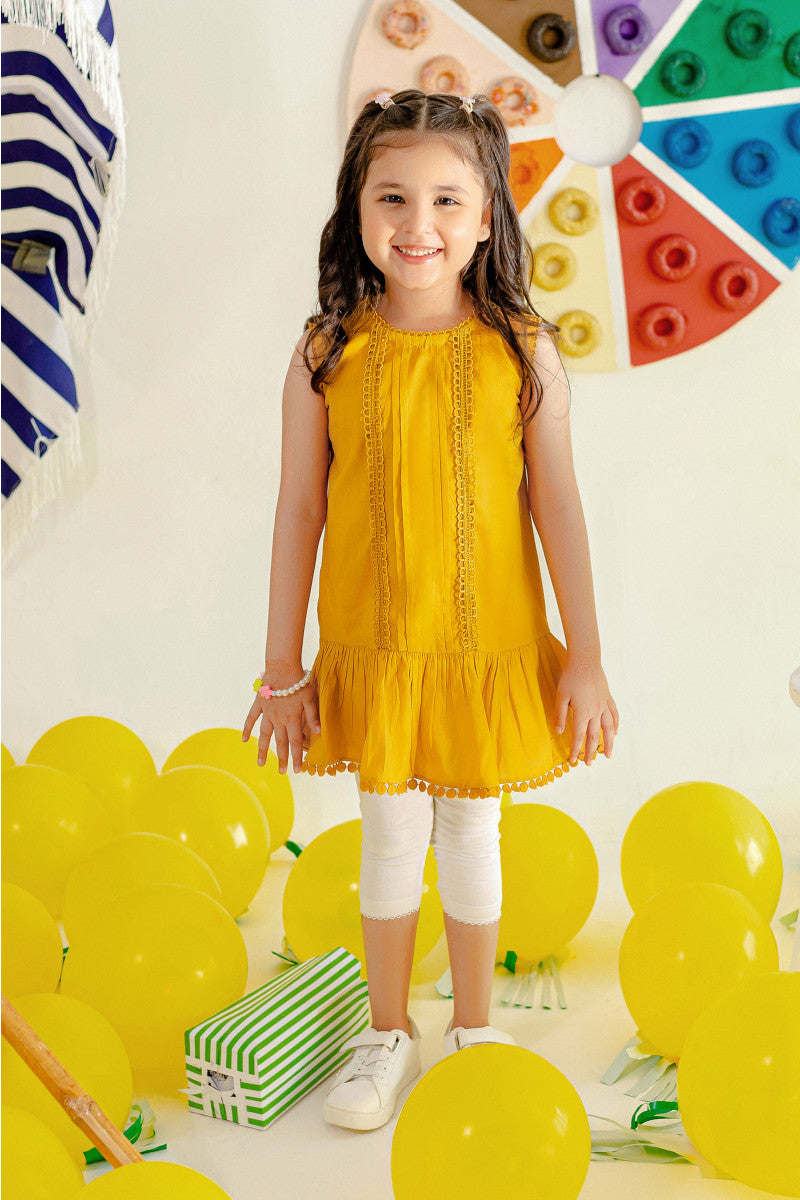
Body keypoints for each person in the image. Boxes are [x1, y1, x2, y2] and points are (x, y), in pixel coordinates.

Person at [242, 88, 619, 1132]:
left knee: (470, 832)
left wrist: (585, 657)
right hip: (374, 650)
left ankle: (474, 1028)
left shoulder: (522, 349)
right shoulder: (326, 353)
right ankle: (386, 1029)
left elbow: (558, 508)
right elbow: (299, 510)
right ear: (356, 209)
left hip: (484, 650)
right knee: (387, 833)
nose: (419, 223)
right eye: (393, 197)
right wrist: (282, 669)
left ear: (488, 215)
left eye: (448, 199)